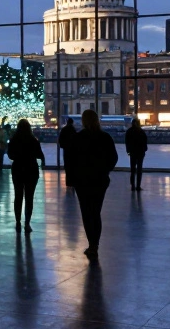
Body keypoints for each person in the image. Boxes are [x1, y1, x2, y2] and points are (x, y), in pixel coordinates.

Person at [71, 110, 117, 258]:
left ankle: (91, 243)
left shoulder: (78, 138)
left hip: (82, 181)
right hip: (99, 180)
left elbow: (72, 160)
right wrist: (105, 171)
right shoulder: (105, 137)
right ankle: (95, 244)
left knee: (86, 212)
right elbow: (113, 158)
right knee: (96, 212)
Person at [6, 119, 46, 232]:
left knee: (18, 196)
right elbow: (39, 154)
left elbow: (10, 155)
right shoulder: (33, 140)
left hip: (18, 169)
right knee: (29, 197)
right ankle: (27, 223)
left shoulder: (14, 140)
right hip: (31, 170)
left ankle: (18, 221)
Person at [124, 118, 147, 191]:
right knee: (139, 170)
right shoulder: (141, 132)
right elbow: (144, 142)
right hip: (140, 152)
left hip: (133, 152)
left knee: (133, 170)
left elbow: (127, 142)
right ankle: (138, 186)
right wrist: (144, 149)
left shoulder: (129, 131)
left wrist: (128, 151)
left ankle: (132, 186)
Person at [58, 116, 77, 187]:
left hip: (66, 150)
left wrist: (63, 146)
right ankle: (72, 181)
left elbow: (60, 139)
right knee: (72, 166)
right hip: (73, 151)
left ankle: (68, 182)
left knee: (67, 166)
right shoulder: (73, 130)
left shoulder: (64, 129)